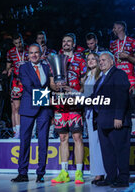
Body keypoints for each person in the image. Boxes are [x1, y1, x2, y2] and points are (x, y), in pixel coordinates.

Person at [11, 44, 54, 183]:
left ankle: (41, 173)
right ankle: (22, 173)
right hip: (29, 107)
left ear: (41, 54)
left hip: (44, 109)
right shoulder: (23, 67)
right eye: (31, 53)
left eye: (36, 53)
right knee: (25, 141)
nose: (34, 55)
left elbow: (50, 86)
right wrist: (45, 97)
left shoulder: (47, 68)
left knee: (43, 141)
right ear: (28, 55)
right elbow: (29, 86)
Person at [51, 33, 87, 184]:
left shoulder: (80, 60)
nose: (66, 43)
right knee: (63, 138)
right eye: (64, 41)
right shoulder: (55, 58)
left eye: (69, 42)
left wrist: (78, 94)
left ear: (74, 44)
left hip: (74, 104)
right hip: (60, 105)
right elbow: (52, 82)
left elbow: (84, 82)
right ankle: (64, 172)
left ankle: (79, 172)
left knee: (77, 137)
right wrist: (56, 87)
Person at [93, 52, 131, 188]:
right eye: (100, 60)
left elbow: (122, 96)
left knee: (121, 150)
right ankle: (110, 177)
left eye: (104, 60)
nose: (101, 62)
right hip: (103, 121)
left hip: (116, 120)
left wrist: (118, 117)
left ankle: (123, 179)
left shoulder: (119, 74)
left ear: (112, 61)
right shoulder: (100, 79)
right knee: (107, 151)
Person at [109, 21, 135, 137]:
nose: (113, 30)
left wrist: (127, 56)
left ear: (120, 28)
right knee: (118, 102)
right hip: (117, 77)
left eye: (114, 28)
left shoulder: (133, 42)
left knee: (132, 102)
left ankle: (134, 130)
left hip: (130, 76)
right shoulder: (112, 44)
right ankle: (119, 125)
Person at [82, 53, 105, 184]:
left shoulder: (101, 76)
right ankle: (97, 172)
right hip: (89, 114)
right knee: (93, 144)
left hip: (98, 113)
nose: (90, 61)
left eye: (93, 59)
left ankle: (102, 172)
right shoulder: (87, 77)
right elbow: (85, 96)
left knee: (99, 143)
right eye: (88, 59)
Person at [6, 33, 29, 138]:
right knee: (15, 107)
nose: (18, 45)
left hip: (28, 81)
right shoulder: (10, 52)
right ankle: (17, 132)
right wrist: (8, 70)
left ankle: (31, 131)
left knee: (31, 106)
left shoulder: (29, 49)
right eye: (16, 43)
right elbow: (8, 66)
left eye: (20, 42)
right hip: (16, 82)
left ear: (23, 40)